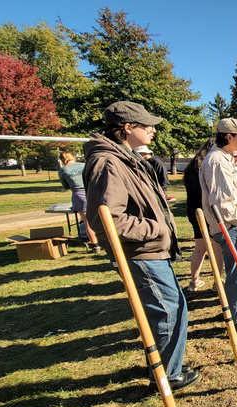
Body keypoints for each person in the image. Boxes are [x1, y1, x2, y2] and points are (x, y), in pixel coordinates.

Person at [83, 101, 200, 391]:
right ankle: (166, 377)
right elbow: (106, 220)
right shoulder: (107, 162)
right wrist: (157, 228)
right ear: (126, 128)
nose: (152, 129)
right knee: (168, 311)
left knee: (173, 307)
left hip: (152, 250)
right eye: (146, 125)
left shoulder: (126, 157)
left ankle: (166, 364)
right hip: (141, 252)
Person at [200, 118, 237, 328]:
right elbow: (222, 201)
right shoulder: (216, 161)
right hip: (232, 225)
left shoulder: (223, 158)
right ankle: (236, 318)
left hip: (236, 224)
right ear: (229, 136)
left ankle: (235, 309)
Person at [183, 139, 224, 291]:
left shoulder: (191, 167)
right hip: (206, 210)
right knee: (216, 247)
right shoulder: (208, 165)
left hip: (193, 210)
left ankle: (194, 281)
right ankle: (217, 282)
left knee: (199, 247)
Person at [57, 151, 100, 252]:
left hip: (79, 195)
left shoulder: (63, 170)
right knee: (100, 219)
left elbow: (65, 186)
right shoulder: (84, 165)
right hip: (93, 192)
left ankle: (95, 245)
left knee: (87, 221)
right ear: (73, 157)